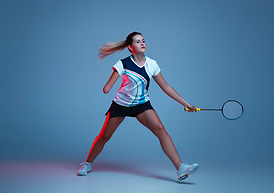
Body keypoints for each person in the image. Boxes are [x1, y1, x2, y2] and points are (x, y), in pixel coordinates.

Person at [77, 32, 199, 181]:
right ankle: (87, 163)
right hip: (120, 105)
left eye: (143, 41)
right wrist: (108, 86)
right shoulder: (122, 64)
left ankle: (181, 168)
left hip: (142, 105)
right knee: (104, 136)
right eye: (138, 42)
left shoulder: (152, 64)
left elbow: (166, 87)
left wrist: (185, 103)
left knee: (160, 129)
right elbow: (106, 88)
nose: (142, 43)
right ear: (130, 47)